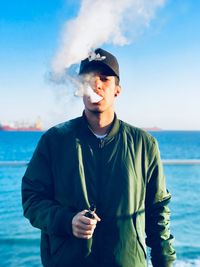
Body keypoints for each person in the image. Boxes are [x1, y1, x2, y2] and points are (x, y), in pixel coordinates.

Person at [21, 48, 176, 267]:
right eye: (89, 79)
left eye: (104, 79)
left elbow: (158, 212)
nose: (96, 85)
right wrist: (67, 221)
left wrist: (166, 263)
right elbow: (32, 199)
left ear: (117, 90)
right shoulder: (55, 140)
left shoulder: (144, 144)